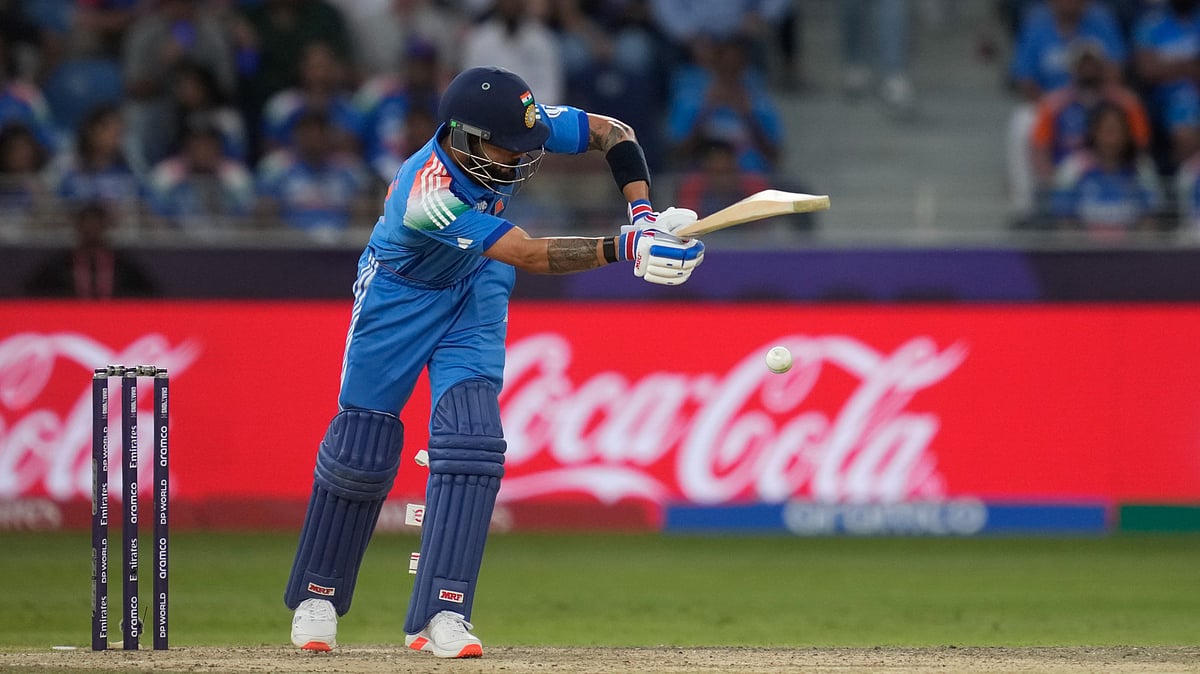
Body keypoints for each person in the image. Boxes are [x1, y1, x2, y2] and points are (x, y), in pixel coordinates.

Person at [284, 65, 704, 659]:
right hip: (398, 296)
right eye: (511, 146)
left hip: (475, 286)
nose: (524, 154)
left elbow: (614, 132)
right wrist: (626, 248)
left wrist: (643, 215)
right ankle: (318, 596)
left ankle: (443, 613)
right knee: (361, 449)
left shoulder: (515, 126)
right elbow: (528, 253)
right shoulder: (427, 193)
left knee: (473, 445)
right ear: (466, 137)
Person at [24, 200, 155, 298]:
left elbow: (149, 294)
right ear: (78, 227)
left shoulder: (123, 264)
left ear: (105, 226)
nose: (91, 229)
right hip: (70, 320)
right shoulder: (60, 264)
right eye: (86, 223)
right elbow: (32, 293)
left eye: (96, 223)